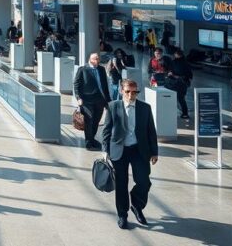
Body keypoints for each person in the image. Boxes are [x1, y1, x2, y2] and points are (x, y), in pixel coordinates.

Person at [103, 78, 159, 230]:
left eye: (134, 92)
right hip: (119, 150)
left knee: (144, 181)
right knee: (121, 184)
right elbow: (106, 130)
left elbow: (151, 131)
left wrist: (154, 152)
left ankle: (137, 204)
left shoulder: (145, 108)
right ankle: (122, 215)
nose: (131, 95)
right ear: (122, 91)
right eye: (127, 92)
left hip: (139, 149)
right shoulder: (113, 106)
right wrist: (105, 150)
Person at [74, 52, 111, 150]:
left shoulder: (102, 69)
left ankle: (92, 139)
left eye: (98, 59)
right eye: (95, 59)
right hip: (86, 100)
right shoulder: (82, 70)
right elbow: (76, 85)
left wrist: (108, 100)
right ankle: (88, 143)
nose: (97, 61)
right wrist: (78, 98)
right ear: (90, 59)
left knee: (96, 121)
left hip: (99, 100)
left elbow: (105, 86)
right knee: (89, 121)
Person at [168, 48, 193, 121]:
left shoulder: (175, 62)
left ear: (176, 54)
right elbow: (189, 75)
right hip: (181, 83)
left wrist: (174, 75)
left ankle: (183, 112)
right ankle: (184, 113)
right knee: (181, 98)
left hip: (178, 83)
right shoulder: (185, 63)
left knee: (179, 98)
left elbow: (171, 72)